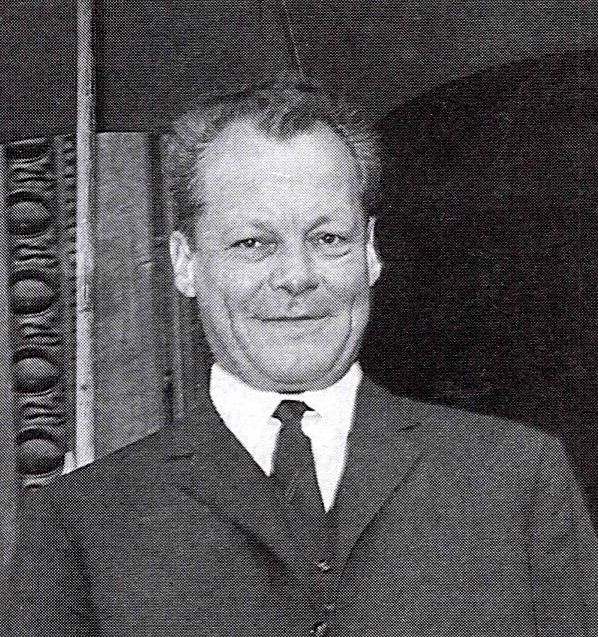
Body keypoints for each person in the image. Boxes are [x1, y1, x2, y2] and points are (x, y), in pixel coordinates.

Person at [11, 78, 598, 637]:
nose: (296, 277)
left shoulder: (516, 479)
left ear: (370, 252)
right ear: (186, 263)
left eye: (327, 239)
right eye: (253, 243)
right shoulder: (78, 524)